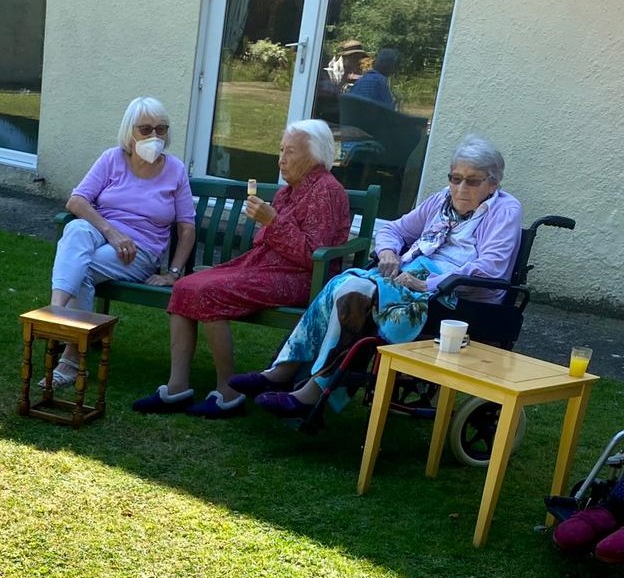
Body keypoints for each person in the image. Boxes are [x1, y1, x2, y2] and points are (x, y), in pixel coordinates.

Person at [233, 135, 523, 418]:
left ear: (493, 183)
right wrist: (387, 252)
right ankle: (284, 371)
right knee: (343, 283)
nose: (460, 188)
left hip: (454, 297)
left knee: (357, 292)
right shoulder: (441, 200)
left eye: (472, 181)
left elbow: (490, 268)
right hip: (408, 279)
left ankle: (310, 390)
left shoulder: (505, 210)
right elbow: (393, 229)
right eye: (455, 178)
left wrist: (428, 283)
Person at [132, 119, 349, 418]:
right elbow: (265, 238)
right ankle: (177, 387)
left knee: (210, 292)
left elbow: (313, 255)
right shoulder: (288, 191)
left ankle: (228, 393)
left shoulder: (327, 190)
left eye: (290, 152)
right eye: (281, 150)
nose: (281, 160)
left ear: (315, 155)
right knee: (184, 286)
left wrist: (273, 221)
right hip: (264, 267)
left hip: (301, 278)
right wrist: (269, 222)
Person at [45, 96, 195, 387]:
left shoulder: (175, 170)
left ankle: (69, 352)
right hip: (104, 233)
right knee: (76, 230)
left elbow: (187, 228)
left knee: (83, 270)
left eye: (161, 129)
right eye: (146, 129)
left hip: (138, 251)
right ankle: (56, 314)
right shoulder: (112, 159)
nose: (154, 136)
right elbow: (76, 201)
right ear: (130, 131)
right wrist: (111, 232)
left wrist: (173, 273)